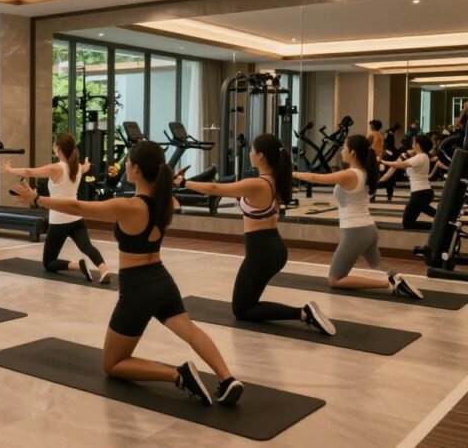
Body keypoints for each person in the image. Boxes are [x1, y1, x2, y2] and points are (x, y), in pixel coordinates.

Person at [11, 140, 243, 406]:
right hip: (162, 280)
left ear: (135, 170)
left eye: (128, 163)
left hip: (137, 289)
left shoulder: (130, 206)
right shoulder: (165, 200)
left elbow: (78, 208)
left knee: (113, 364)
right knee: (190, 330)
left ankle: (178, 375)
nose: (125, 168)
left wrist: (37, 199)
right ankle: (227, 378)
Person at [178, 133, 336, 336]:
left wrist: (183, 182)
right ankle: (304, 313)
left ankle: (303, 313)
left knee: (241, 310)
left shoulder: (257, 184)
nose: (249, 153)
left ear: (261, 156)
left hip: (262, 252)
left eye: (252, 150)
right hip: (271, 248)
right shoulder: (274, 181)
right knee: (247, 304)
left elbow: (216, 187)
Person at [293, 135, 423, 298]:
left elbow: (316, 178)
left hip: (356, 231)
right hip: (368, 228)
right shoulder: (365, 172)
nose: (341, 151)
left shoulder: (350, 174)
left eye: (344, 148)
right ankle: (397, 278)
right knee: (376, 263)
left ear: (352, 152)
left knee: (335, 279)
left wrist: (292, 173)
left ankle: (390, 284)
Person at [0, 133, 110, 283]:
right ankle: (104, 269)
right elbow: (85, 168)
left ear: (57, 149)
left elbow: (29, 172)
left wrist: (9, 169)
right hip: (76, 217)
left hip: (59, 221)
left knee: (49, 262)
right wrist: (88, 165)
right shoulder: (77, 167)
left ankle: (76, 265)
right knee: (87, 247)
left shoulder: (56, 168)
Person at [381, 134, 436, 230]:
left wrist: (383, 162)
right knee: (430, 212)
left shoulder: (421, 157)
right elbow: (399, 164)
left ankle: (439, 227)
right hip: (422, 192)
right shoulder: (420, 156)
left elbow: (401, 165)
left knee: (408, 223)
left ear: (418, 145)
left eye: (414, 142)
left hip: (420, 193)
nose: (412, 144)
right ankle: (444, 224)